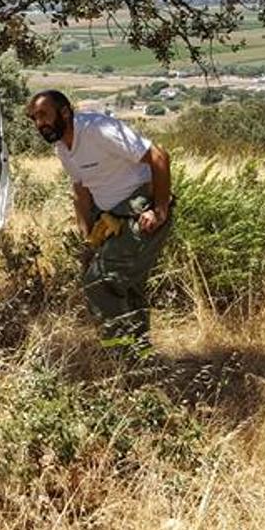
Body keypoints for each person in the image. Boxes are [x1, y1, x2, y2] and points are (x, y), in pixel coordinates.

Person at [24, 90, 173, 353]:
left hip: (139, 213)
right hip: (110, 221)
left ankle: (121, 356)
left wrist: (159, 209)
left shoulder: (98, 130)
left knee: (99, 282)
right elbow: (81, 192)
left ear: (65, 112)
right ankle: (141, 358)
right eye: (34, 118)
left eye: (44, 115)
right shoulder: (62, 148)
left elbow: (159, 157)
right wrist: (88, 237)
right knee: (128, 288)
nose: (39, 124)